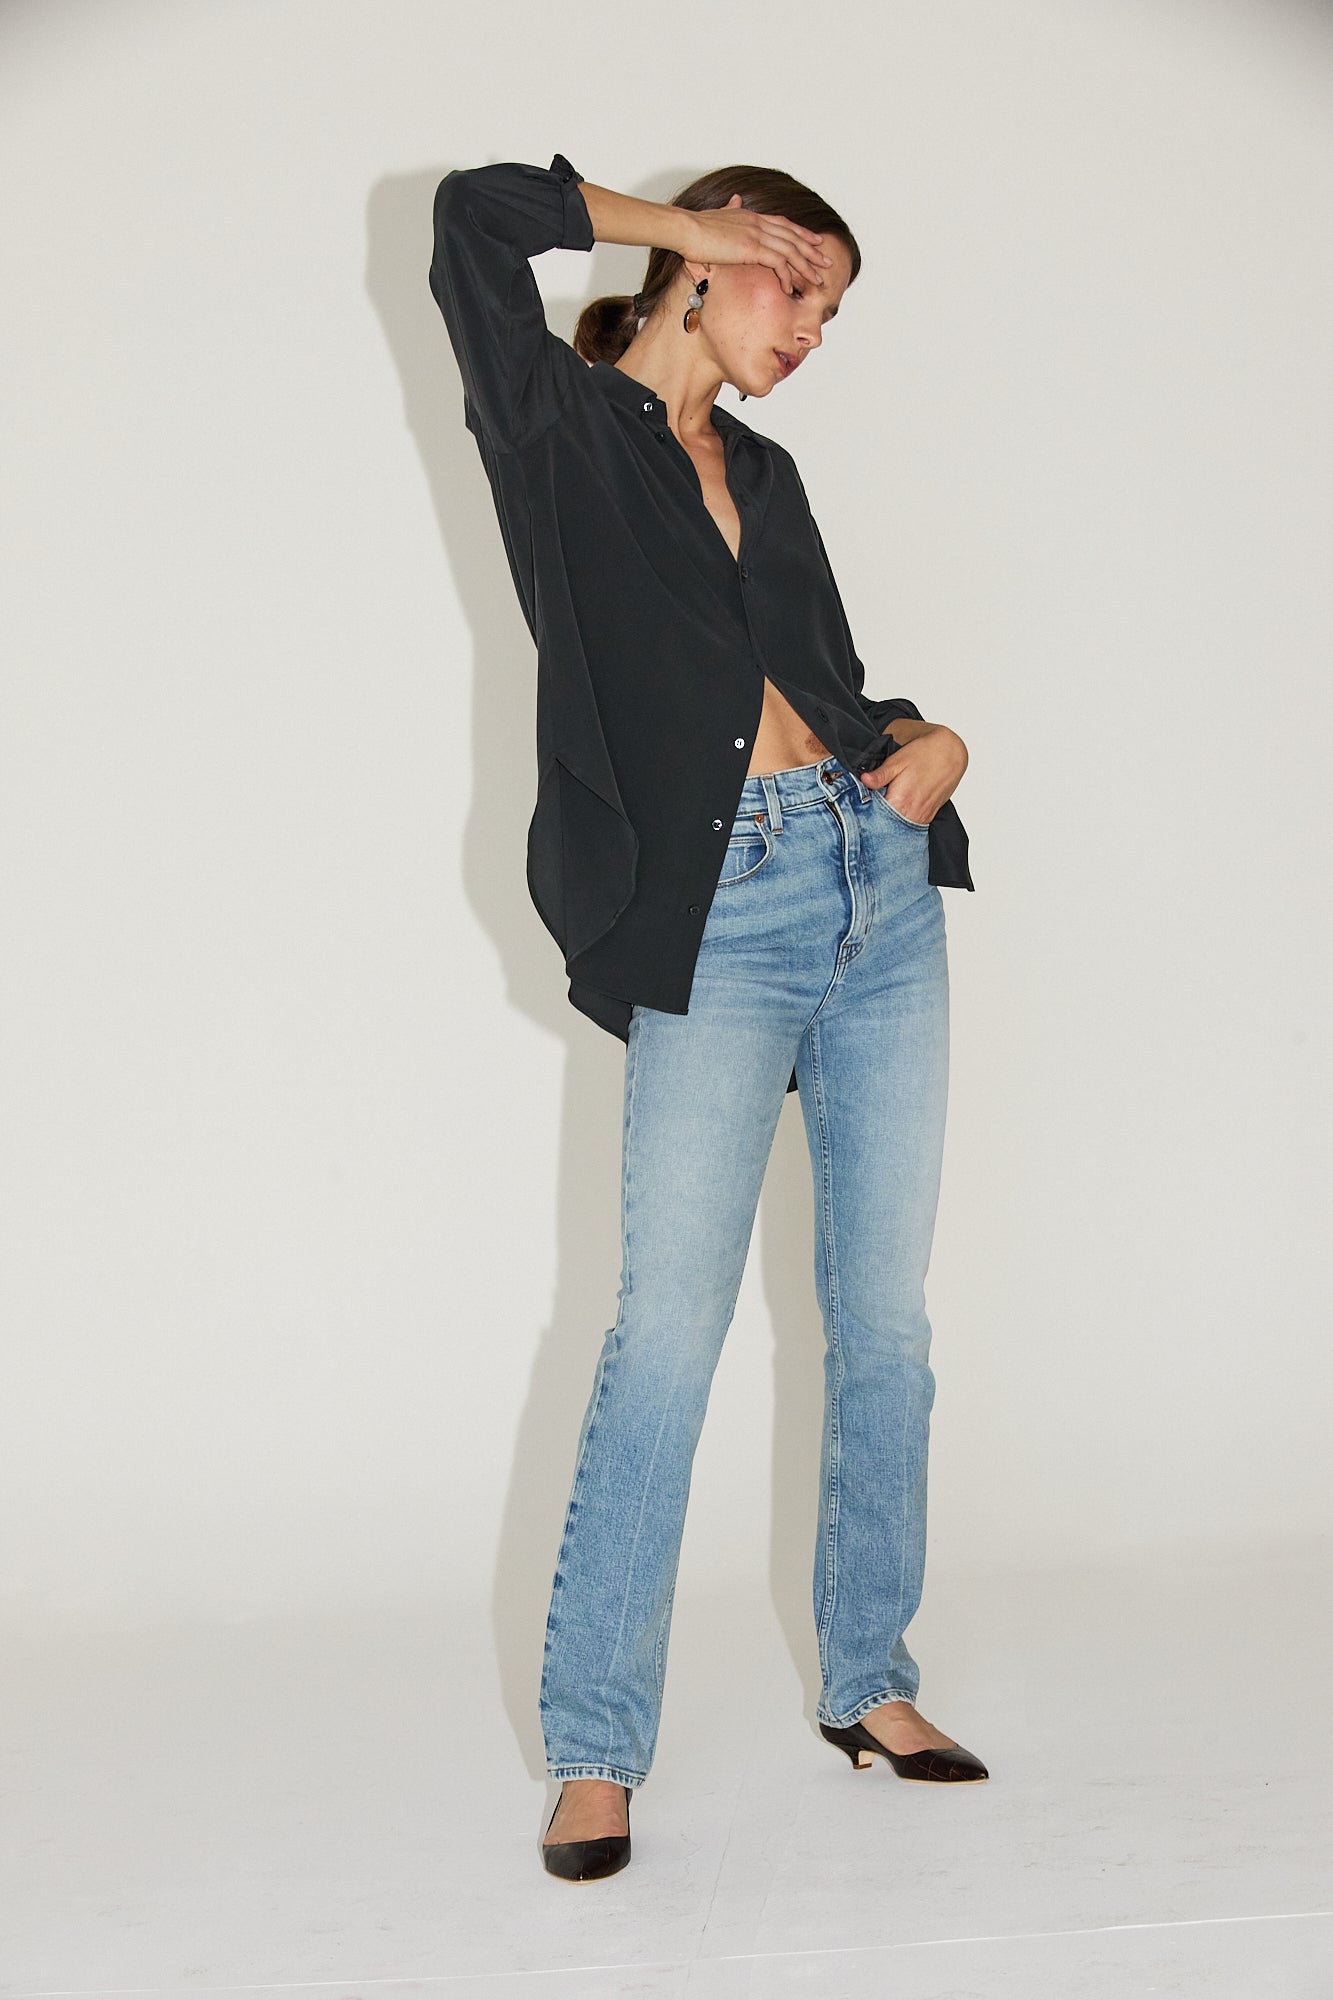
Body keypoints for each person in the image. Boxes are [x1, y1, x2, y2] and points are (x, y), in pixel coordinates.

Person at [428, 152, 988, 1883]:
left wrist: (932, 743)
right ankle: (595, 1750)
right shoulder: (556, 425)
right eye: (794, 286)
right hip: (721, 917)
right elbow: (470, 218)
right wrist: (679, 219)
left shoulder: (769, 470)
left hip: (874, 885)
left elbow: (820, 686)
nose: (811, 330)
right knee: (664, 1335)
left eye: (830, 310)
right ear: (710, 258)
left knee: (882, 1325)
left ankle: (869, 1680)